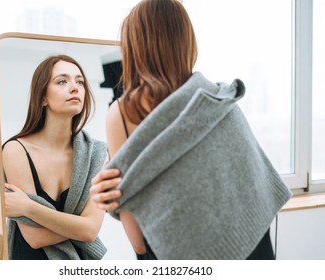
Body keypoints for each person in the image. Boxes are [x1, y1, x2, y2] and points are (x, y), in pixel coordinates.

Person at [90, 0, 292, 260]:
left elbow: (139, 242)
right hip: (255, 249)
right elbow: (257, 194)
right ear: (186, 41)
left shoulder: (123, 112)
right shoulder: (219, 100)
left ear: (136, 48)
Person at [3, 54, 107, 260]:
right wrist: (78, 226)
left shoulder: (97, 154)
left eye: (80, 82)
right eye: (62, 81)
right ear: (42, 97)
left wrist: (28, 207)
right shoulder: (15, 150)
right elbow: (35, 237)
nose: (75, 87)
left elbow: (90, 231)